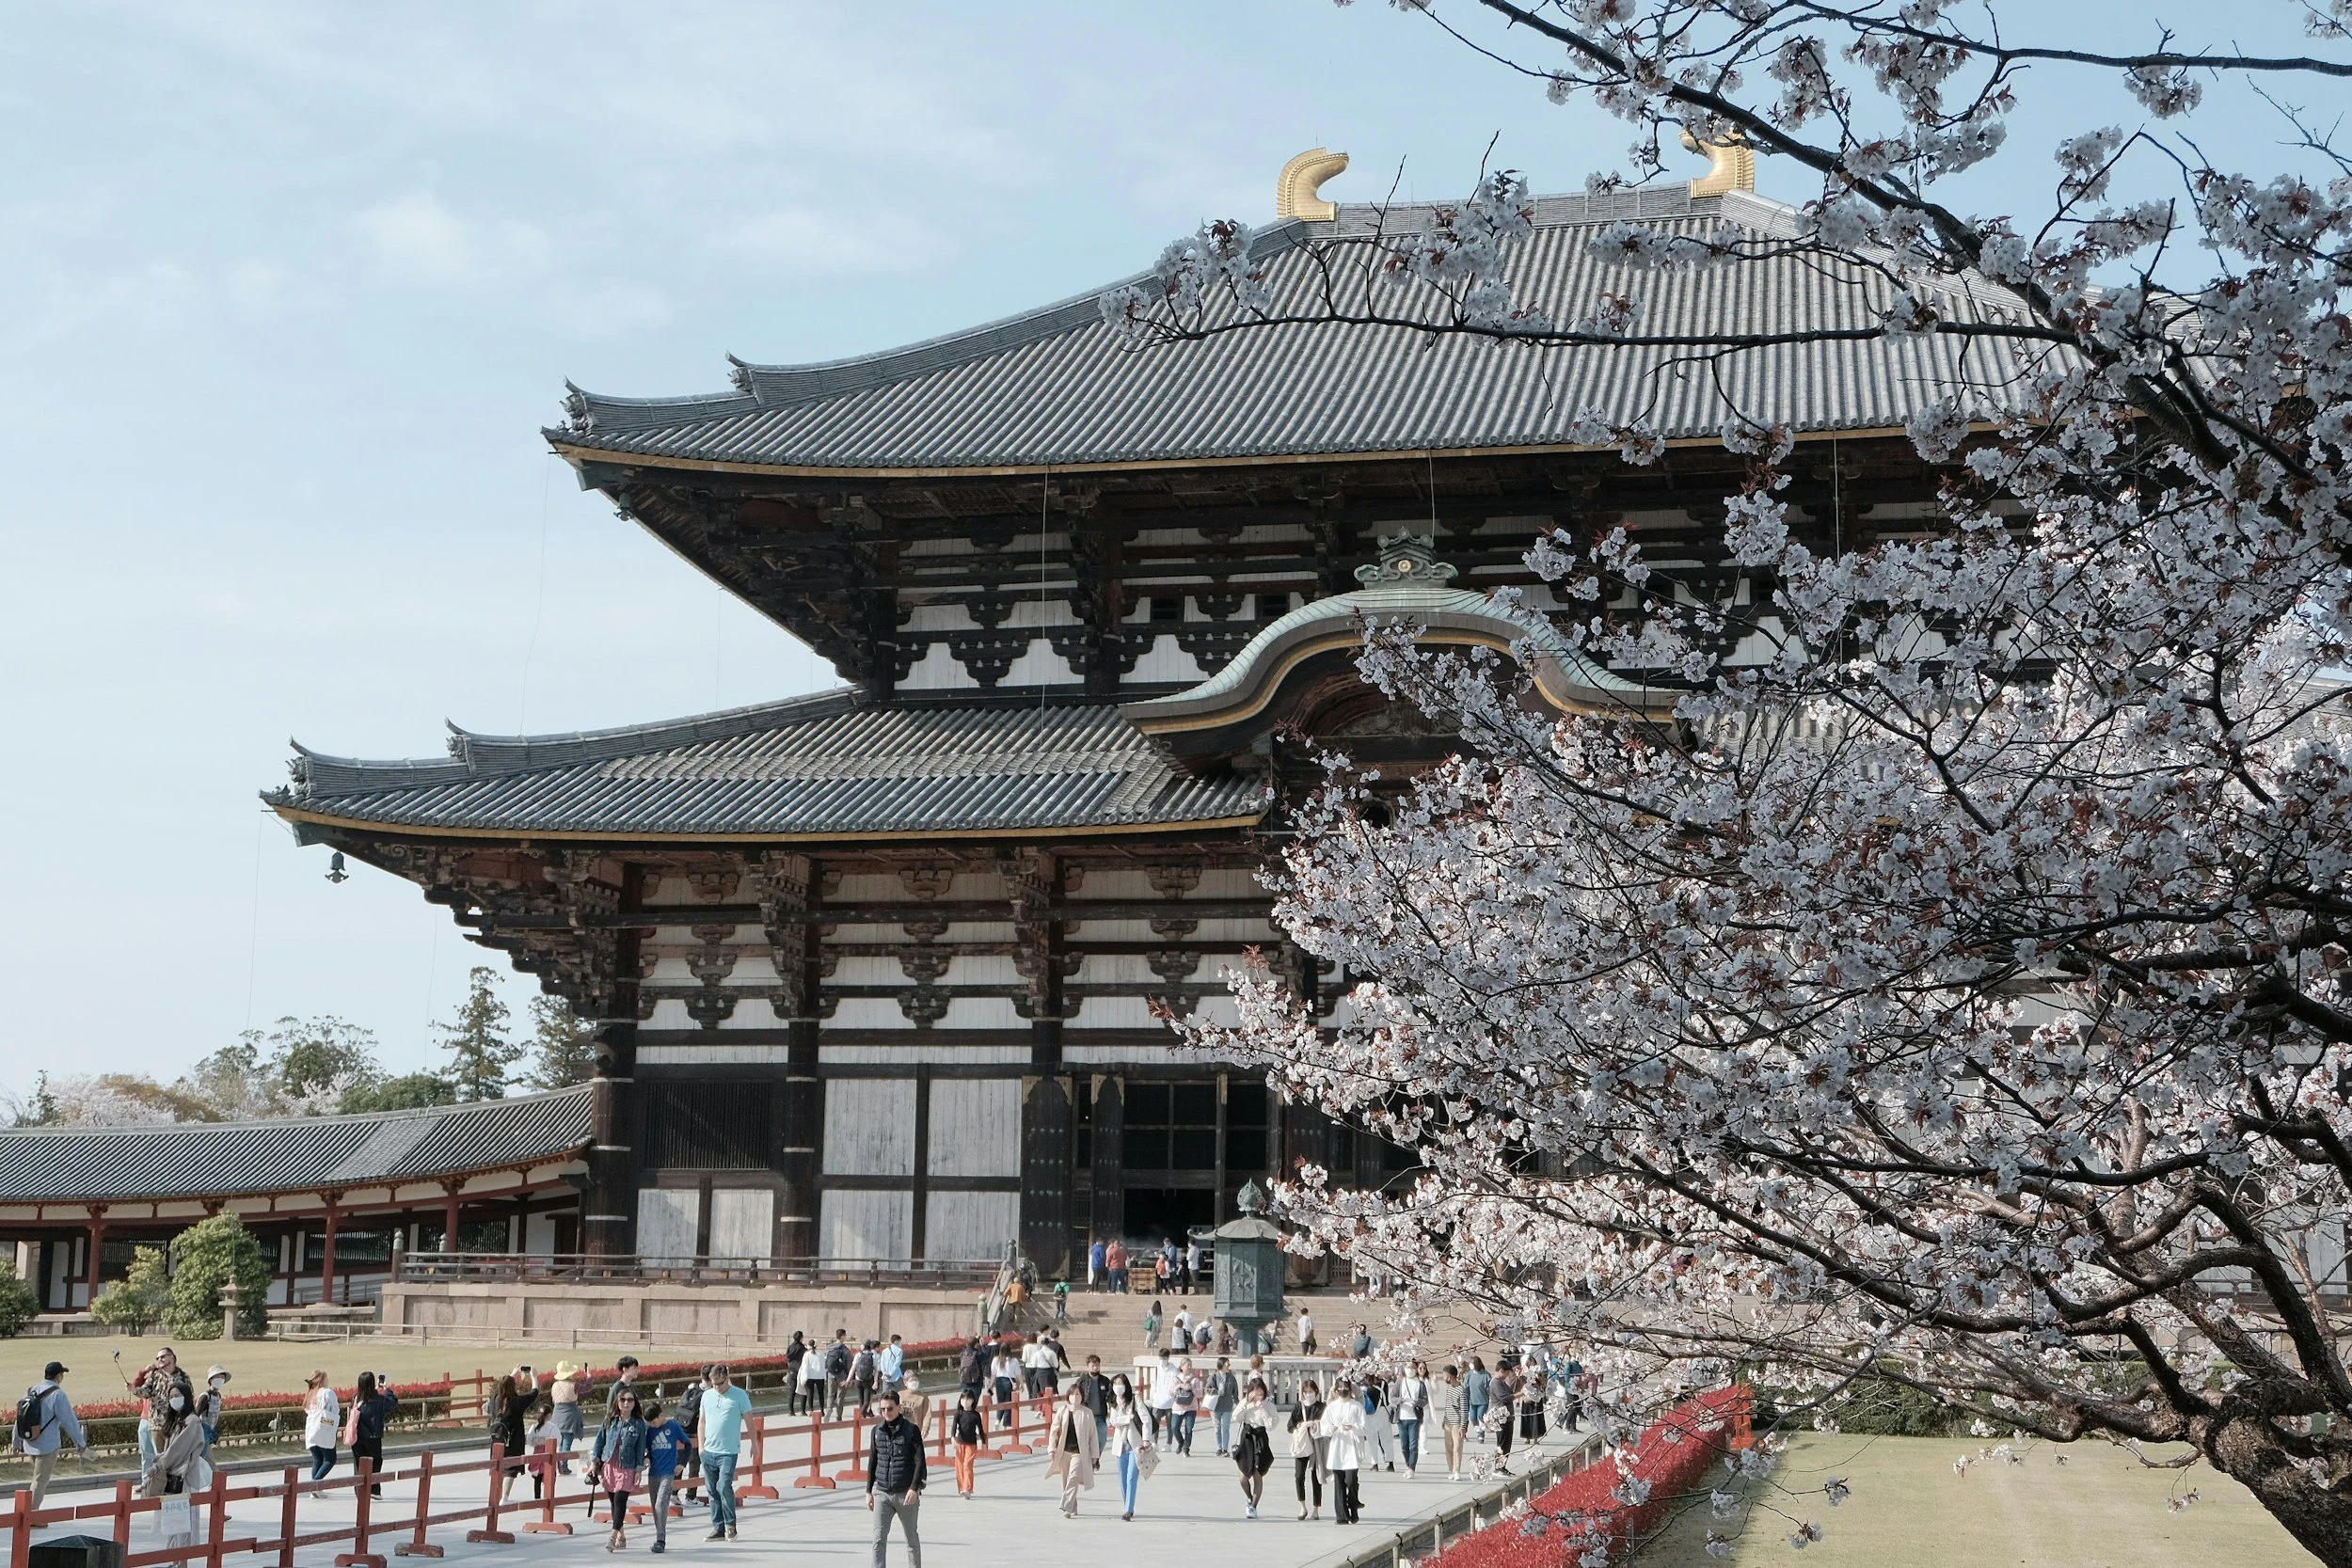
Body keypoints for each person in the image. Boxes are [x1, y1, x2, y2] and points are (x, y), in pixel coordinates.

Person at [12, 1360, 90, 1506]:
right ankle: (31, 1517)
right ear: (59, 1376)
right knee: (40, 1481)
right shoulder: (58, 1395)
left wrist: (16, 1441)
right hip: (47, 1446)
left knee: (37, 1479)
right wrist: (80, 1443)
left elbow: (20, 1417)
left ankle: (28, 1514)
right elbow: (69, 1421)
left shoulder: (31, 1390)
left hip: (29, 1443)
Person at [865, 1389, 926, 1568]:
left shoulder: (911, 1430)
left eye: (889, 1409)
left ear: (898, 1407)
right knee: (878, 1539)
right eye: (882, 1409)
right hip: (882, 1492)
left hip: (905, 1493)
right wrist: (868, 1491)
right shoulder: (876, 1431)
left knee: (911, 1540)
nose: (886, 1413)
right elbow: (873, 1461)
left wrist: (914, 1488)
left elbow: (920, 1461)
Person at [593, 1384, 650, 1552]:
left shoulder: (639, 1424)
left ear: (634, 1403)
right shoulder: (609, 1420)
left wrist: (639, 1469)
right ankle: (621, 1534)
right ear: (617, 1402)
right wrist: (594, 1462)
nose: (626, 1403)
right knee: (613, 1502)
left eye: (630, 1400)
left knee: (620, 1500)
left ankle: (612, 1536)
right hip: (609, 1464)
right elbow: (599, 1442)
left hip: (627, 1466)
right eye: (622, 1400)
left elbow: (641, 1448)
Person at [697, 1364, 752, 1541]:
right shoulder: (707, 1396)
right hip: (708, 1450)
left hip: (728, 1451)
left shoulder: (739, 1395)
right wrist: (701, 1446)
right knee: (712, 1490)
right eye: (713, 1384)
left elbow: (750, 1421)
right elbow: (702, 1421)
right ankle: (718, 1527)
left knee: (723, 1486)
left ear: (727, 1378)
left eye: (720, 1384)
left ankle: (730, 1525)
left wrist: (755, 1443)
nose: (717, 1387)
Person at [123, 1348, 192, 1473]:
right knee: (159, 1458)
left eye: (163, 1356)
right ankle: (159, 1486)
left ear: (172, 1357)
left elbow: (189, 1398)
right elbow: (145, 1392)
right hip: (156, 1424)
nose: (160, 1360)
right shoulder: (155, 1376)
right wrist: (134, 1390)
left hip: (175, 1425)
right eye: (158, 1358)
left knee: (174, 1458)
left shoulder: (183, 1376)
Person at [1103, 1374, 1152, 1521]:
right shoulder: (1113, 1402)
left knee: (1131, 1477)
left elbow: (1146, 1420)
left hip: (1135, 1444)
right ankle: (1127, 1505)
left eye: (1121, 1383)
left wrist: (1146, 1440)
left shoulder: (1135, 1399)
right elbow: (1113, 1421)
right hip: (1120, 1443)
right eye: (1115, 1383)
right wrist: (1126, 1418)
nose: (1118, 1386)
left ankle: (1129, 1510)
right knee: (1122, 1478)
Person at [1044, 1386, 1099, 1518]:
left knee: (1073, 1477)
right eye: (1073, 1394)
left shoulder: (1087, 1413)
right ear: (1068, 1396)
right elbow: (1053, 1431)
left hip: (1079, 1452)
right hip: (1064, 1451)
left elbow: (1093, 1435)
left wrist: (1095, 1455)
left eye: (1078, 1394)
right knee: (1066, 1480)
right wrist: (1051, 1448)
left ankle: (1066, 1506)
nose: (1075, 1397)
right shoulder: (1062, 1411)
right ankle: (1072, 1506)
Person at [644, 1399, 689, 1555]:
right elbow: (648, 1449)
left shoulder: (673, 1426)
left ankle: (661, 1539)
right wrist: (647, 1458)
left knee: (660, 1503)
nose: (653, 1426)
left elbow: (687, 1444)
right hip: (653, 1473)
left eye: (654, 1422)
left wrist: (682, 1464)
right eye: (650, 1423)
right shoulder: (650, 1431)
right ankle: (658, 1536)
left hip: (668, 1473)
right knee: (655, 1508)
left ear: (661, 1416)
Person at [1321, 1377, 1366, 1526]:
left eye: (1345, 1388)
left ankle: (1353, 1504)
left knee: (1351, 1479)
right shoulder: (1332, 1407)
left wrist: (1353, 1428)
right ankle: (1341, 1514)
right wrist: (1331, 1428)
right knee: (1339, 1481)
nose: (1343, 1391)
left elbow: (1364, 1427)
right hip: (1337, 1444)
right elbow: (1324, 1427)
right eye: (1340, 1389)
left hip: (1352, 1445)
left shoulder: (1357, 1406)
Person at [491, 1368, 540, 1503]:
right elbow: (534, 1393)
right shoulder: (517, 1401)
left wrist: (512, 1374)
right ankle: (504, 1497)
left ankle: (495, 1495)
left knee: (498, 1467)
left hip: (497, 1438)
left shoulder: (495, 1399)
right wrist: (534, 1377)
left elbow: (501, 1387)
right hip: (513, 1440)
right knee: (510, 1470)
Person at [1232, 1377, 1275, 1518]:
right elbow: (1236, 1417)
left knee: (1257, 1473)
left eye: (1261, 1394)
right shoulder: (1245, 1403)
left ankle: (1253, 1506)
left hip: (1260, 1437)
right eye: (1255, 1394)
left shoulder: (1268, 1405)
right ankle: (1249, 1497)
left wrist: (1263, 1410)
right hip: (1247, 1438)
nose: (1258, 1397)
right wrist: (1246, 1403)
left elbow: (1271, 1425)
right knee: (1243, 1476)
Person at [351, 1372, 399, 1497]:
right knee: (376, 1463)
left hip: (357, 1437)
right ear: (373, 1383)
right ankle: (374, 1490)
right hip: (373, 1437)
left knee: (359, 1465)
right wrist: (386, 1389)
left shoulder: (356, 1398)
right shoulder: (379, 1400)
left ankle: (360, 1491)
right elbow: (393, 1402)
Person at [1288, 1379, 1327, 1519]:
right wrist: (1300, 1427)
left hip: (1316, 1444)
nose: (1308, 1394)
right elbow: (1290, 1426)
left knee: (1316, 1476)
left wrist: (1314, 1424)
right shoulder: (1299, 1407)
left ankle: (1316, 1508)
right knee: (1299, 1476)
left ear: (1316, 1392)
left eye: (1311, 1392)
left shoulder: (1322, 1407)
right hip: (1302, 1444)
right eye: (1306, 1392)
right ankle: (1302, 1507)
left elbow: (1327, 1425)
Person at [301, 1370, 340, 1481]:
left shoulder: (310, 1394)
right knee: (330, 1459)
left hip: (311, 1428)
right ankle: (315, 1485)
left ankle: (316, 1488)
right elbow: (335, 1410)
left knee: (317, 1459)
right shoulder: (327, 1392)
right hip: (323, 1428)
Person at [1434, 1364, 1469, 1481]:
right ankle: (1451, 1470)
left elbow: (1464, 1409)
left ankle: (1457, 1470)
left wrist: (1463, 1426)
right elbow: (1447, 1405)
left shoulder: (1461, 1390)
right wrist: (1444, 1419)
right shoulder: (1449, 1388)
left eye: (1445, 1374)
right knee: (1448, 1447)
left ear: (1450, 1376)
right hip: (1448, 1422)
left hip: (1457, 1423)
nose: (1443, 1377)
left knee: (1457, 1448)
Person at [550, 1362, 585, 1475]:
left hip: (557, 1414)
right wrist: (589, 1377)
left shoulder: (554, 1385)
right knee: (567, 1442)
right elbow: (587, 1388)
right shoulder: (573, 1385)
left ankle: (560, 1463)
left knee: (559, 1441)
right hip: (570, 1414)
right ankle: (563, 1465)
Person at [1395, 1362, 1428, 1475]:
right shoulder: (1400, 1382)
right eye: (1408, 1368)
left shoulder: (1420, 1383)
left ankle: (1412, 1468)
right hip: (1402, 1417)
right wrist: (1399, 1400)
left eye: (1413, 1368)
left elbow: (1425, 1399)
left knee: (1413, 1445)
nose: (1410, 1370)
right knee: (1404, 1445)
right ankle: (1407, 1464)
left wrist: (1418, 1402)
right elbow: (1392, 1397)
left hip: (1414, 1418)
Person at [949, 1389, 983, 1498]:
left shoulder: (976, 1415)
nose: (965, 1401)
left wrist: (984, 1442)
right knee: (959, 1466)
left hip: (971, 1444)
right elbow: (954, 1427)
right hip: (960, 1443)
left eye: (968, 1399)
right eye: (963, 1399)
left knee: (967, 1465)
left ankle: (967, 1489)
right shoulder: (958, 1414)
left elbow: (981, 1430)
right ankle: (961, 1488)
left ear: (973, 1400)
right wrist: (953, 1438)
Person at [1168, 1357, 1200, 1456]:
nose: (1190, 1367)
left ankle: (1186, 1448)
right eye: (1187, 1365)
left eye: (1191, 1365)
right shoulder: (1175, 1379)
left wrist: (1192, 1389)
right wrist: (1179, 1386)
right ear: (1181, 1367)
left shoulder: (1195, 1380)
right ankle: (1181, 1442)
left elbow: (1199, 1394)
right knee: (1174, 1427)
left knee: (1189, 1428)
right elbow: (1170, 1392)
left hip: (1191, 1407)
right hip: (1178, 1407)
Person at [1208, 1355, 1239, 1458]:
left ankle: (1225, 1448)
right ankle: (1219, 1447)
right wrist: (1216, 1391)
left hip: (1227, 1405)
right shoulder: (1214, 1376)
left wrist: (1236, 1400)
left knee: (1225, 1427)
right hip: (1216, 1405)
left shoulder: (1231, 1377)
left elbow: (1235, 1390)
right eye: (1227, 1364)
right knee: (1217, 1428)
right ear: (1221, 1365)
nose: (1228, 1366)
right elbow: (1208, 1388)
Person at [1075, 1354, 1110, 1448]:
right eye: (1093, 1366)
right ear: (1088, 1366)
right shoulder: (1081, 1381)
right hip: (1086, 1415)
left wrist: (1111, 1411)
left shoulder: (1105, 1381)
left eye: (1097, 1365)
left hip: (1100, 1416)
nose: (1095, 1368)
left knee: (1102, 1439)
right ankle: (1089, 1459)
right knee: (1085, 1441)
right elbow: (1075, 1396)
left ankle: (1096, 1459)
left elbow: (1111, 1396)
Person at [197, 1366, 230, 1460]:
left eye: (222, 1378)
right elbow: (196, 1414)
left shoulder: (218, 1396)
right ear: (210, 1380)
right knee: (201, 1456)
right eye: (217, 1377)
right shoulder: (205, 1396)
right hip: (203, 1429)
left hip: (211, 1429)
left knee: (207, 1456)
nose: (220, 1380)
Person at [1145, 1348, 1176, 1444]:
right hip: (1158, 1401)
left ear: (1168, 1358)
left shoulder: (1173, 1370)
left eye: (1164, 1358)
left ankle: (1168, 1443)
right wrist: (1154, 1395)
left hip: (1169, 1401)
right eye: (1161, 1358)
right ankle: (1154, 1442)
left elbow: (1175, 1384)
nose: (1163, 1360)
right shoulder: (1157, 1369)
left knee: (1170, 1424)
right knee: (1155, 1422)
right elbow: (1153, 1383)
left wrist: (1172, 1396)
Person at [827, 1332, 855, 1420]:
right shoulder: (845, 1350)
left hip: (831, 1375)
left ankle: (829, 1409)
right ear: (842, 1336)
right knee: (840, 1397)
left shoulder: (829, 1348)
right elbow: (849, 1364)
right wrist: (849, 1379)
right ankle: (838, 1416)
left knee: (830, 1394)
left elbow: (826, 1362)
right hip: (842, 1376)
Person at [796, 1338, 828, 1417]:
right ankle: (822, 1410)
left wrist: (803, 1377)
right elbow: (824, 1365)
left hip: (809, 1376)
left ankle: (811, 1410)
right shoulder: (821, 1354)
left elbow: (805, 1366)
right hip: (820, 1376)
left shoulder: (807, 1354)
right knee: (821, 1394)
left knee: (810, 1393)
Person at [1461, 1358, 1491, 1442]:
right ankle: (1478, 1430)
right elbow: (1465, 1386)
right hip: (1472, 1401)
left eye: (1472, 1363)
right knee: (1473, 1418)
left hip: (1483, 1401)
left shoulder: (1485, 1375)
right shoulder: (1470, 1374)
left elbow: (1489, 1387)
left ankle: (1481, 1434)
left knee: (1480, 1417)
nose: (1470, 1365)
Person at [990, 1344, 1019, 1429]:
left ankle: (998, 1420)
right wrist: (1019, 1383)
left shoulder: (996, 1359)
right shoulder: (1014, 1360)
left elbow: (993, 1374)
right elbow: (1017, 1373)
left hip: (999, 1382)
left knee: (1000, 1401)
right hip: (1009, 1382)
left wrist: (990, 1386)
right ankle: (1005, 1425)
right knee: (1008, 1402)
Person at [850, 1341, 879, 1417]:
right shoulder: (873, 1356)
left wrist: (848, 1380)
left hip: (858, 1380)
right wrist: (875, 1381)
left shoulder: (858, 1355)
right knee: (867, 1401)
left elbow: (853, 1368)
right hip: (868, 1380)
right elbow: (876, 1370)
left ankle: (861, 1416)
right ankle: (861, 1414)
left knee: (861, 1400)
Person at [899, 1375, 931, 1441]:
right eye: (911, 1380)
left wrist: (925, 1428)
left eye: (916, 1380)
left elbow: (927, 1414)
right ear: (905, 1382)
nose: (914, 1382)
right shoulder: (900, 1395)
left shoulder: (923, 1397)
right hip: (901, 1431)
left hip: (916, 1431)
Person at [783, 1335, 809, 1415]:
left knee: (792, 1392)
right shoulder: (802, 1348)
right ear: (801, 1338)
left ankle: (791, 1411)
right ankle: (803, 1411)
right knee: (803, 1391)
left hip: (791, 1371)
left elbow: (787, 1358)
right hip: (800, 1371)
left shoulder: (790, 1347)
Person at [879, 1335, 906, 1399]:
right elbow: (897, 1364)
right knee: (901, 1394)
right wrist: (891, 1373)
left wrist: (885, 1373)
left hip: (886, 1377)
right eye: (900, 1341)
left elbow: (882, 1363)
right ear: (896, 1341)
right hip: (896, 1376)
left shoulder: (885, 1351)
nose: (901, 1343)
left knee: (884, 1395)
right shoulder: (899, 1351)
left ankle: (881, 1407)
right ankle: (902, 1407)